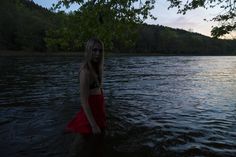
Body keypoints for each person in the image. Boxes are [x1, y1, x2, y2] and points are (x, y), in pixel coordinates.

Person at [65, 38, 106, 157]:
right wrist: (93, 124)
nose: (98, 53)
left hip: (98, 112)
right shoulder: (85, 72)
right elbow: (84, 101)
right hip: (90, 113)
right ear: (88, 51)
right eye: (94, 50)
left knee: (94, 143)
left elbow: (99, 90)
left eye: (100, 50)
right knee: (80, 142)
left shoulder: (97, 68)